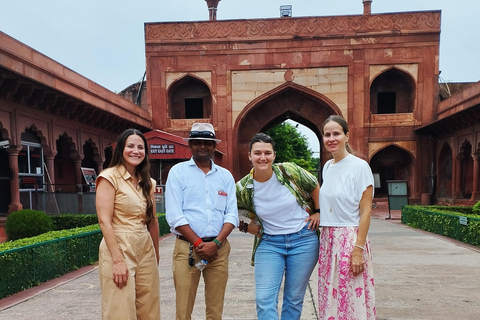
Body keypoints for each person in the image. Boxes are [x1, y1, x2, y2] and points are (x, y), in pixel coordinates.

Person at [236, 132, 320, 320]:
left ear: (274, 155)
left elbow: (314, 185)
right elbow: (229, 213)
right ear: (249, 156)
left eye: (267, 153)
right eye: (257, 153)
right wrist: (246, 227)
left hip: (303, 241)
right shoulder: (242, 187)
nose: (262, 157)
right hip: (269, 244)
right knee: (264, 299)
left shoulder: (288, 170)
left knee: (294, 298)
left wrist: (318, 212)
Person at [165, 123, 239, 320]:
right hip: (188, 248)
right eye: (197, 142)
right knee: (183, 309)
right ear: (190, 145)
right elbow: (175, 215)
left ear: (214, 146)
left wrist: (216, 243)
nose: (202, 146)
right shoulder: (178, 172)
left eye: (207, 142)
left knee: (215, 309)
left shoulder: (225, 176)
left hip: (219, 249)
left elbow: (231, 214)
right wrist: (199, 244)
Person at [95, 128, 160, 320]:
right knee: (120, 309)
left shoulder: (147, 182)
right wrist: (117, 261)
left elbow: (153, 221)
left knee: (149, 306)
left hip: (144, 245)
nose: (135, 151)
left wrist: (155, 253)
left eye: (140, 147)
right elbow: (104, 221)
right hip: (119, 244)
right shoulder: (109, 177)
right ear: (121, 149)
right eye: (130, 146)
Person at [318, 115, 376, 319]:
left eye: (336, 133)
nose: (331, 138)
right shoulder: (327, 167)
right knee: (330, 296)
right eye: (327, 134)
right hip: (328, 238)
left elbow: (366, 211)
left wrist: (358, 250)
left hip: (349, 239)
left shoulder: (359, 167)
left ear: (347, 136)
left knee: (349, 298)